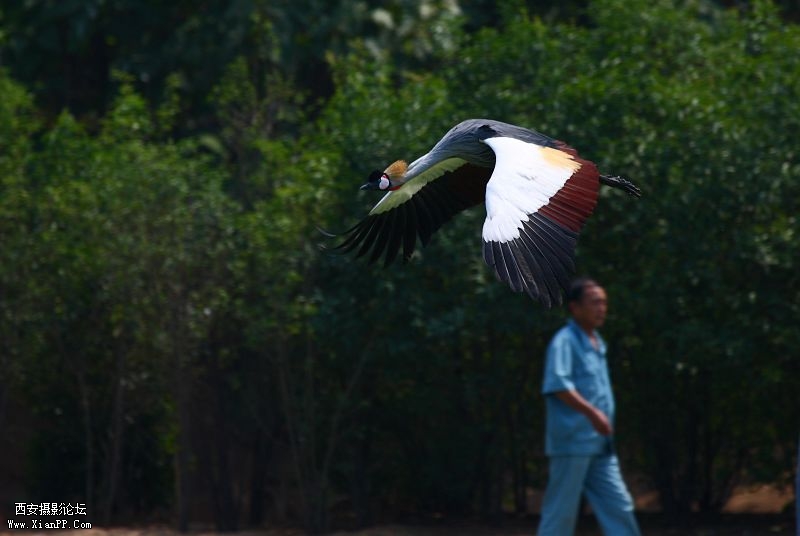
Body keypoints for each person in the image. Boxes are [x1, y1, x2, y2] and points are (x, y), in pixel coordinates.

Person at [537, 278, 641, 536]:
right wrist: (593, 413)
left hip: (601, 444)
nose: (601, 308)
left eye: (604, 303)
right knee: (561, 513)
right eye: (595, 303)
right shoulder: (565, 341)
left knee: (620, 507)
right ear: (575, 307)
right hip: (572, 443)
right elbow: (558, 385)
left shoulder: (597, 343)